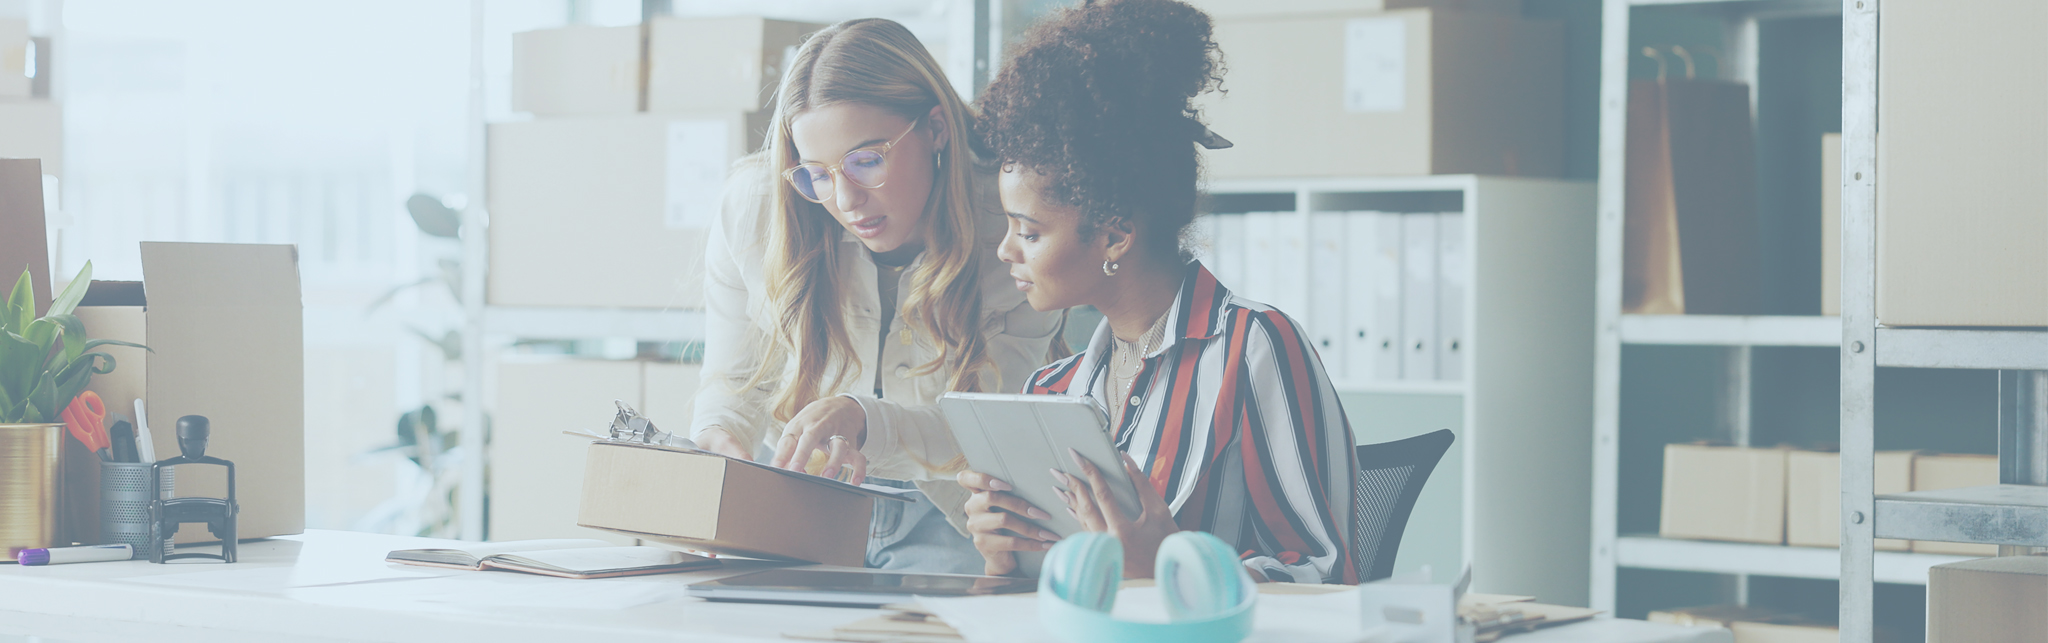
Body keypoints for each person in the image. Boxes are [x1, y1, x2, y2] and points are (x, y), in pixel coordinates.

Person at [959, 0, 1361, 584]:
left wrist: (1171, 571)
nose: (1006, 250)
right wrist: (1005, 559)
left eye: (1030, 231)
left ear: (1116, 234)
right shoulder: (1049, 391)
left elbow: (1328, 575)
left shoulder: (1254, 349)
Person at [689, 18, 1065, 574]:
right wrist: (720, 439)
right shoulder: (757, 208)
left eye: (867, 161)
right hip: (800, 493)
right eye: (817, 173)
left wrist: (865, 419)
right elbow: (732, 380)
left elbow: (992, 431)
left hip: (952, 512)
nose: (844, 199)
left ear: (936, 128)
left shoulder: (1014, 226)